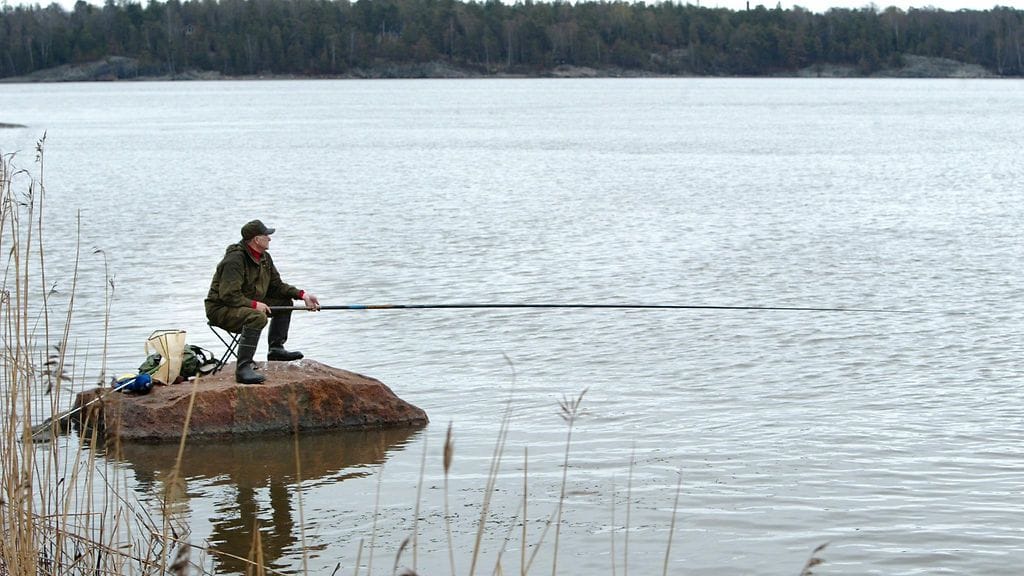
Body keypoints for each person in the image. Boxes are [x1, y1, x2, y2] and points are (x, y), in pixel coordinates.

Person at [205, 219, 320, 384]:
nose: (270, 239)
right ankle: (243, 368)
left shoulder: (265, 257)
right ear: (256, 240)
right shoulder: (234, 260)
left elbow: (277, 286)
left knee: (285, 302)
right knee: (257, 317)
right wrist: (254, 305)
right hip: (221, 309)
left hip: (243, 303)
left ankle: (276, 349)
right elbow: (228, 295)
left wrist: (302, 295)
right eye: (267, 235)